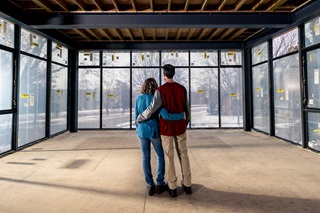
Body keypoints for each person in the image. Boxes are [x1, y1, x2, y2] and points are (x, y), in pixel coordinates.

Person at [136, 64, 192, 198]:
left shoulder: (160, 90)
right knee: (183, 154)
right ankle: (188, 184)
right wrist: (185, 122)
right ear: (174, 74)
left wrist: (140, 117)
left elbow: (152, 109)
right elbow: (187, 108)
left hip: (166, 129)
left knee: (169, 156)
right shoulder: (182, 89)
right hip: (180, 127)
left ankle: (172, 186)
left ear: (164, 75)